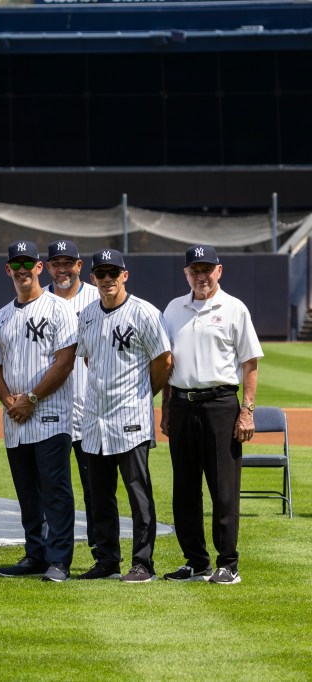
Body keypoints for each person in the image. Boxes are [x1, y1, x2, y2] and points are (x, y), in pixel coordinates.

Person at [160, 244, 262, 585]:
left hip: (220, 403)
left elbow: (250, 363)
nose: (201, 275)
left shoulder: (234, 308)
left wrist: (246, 411)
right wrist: (165, 410)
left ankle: (228, 563)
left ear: (219, 270)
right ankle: (195, 560)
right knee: (184, 487)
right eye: (194, 269)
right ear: (186, 273)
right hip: (181, 403)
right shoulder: (173, 309)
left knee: (223, 486)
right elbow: (166, 365)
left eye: (207, 269)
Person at [76, 249, 172, 582]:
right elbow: (89, 359)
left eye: (113, 273)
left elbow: (164, 361)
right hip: (94, 421)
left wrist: (143, 394)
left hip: (131, 419)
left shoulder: (144, 312)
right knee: (100, 497)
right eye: (101, 274)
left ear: (124, 275)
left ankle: (143, 563)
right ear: (92, 278)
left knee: (138, 494)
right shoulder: (87, 314)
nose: (107, 280)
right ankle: (106, 560)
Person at [0, 241, 77, 583]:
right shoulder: (2, 315)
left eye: (29, 263)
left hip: (51, 415)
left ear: (40, 268)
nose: (23, 270)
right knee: (27, 493)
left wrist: (32, 398)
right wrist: (10, 401)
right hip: (15, 421)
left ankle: (59, 560)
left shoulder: (58, 308)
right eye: (17, 264)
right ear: (8, 269)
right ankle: (35, 554)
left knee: (55, 490)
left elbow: (65, 361)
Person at [44, 239, 100, 563]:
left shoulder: (96, 299)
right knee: (51, 489)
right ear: (47, 267)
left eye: (69, 262)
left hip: (90, 409)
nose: (62, 268)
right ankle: (49, 553)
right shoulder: (38, 301)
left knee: (95, 488)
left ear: (80, 266)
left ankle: (101, 553)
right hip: (50, 410)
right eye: (56, 263)